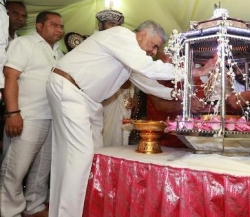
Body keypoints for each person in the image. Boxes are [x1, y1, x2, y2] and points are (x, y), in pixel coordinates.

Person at [47, 20, 177, 216]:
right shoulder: (121, 35)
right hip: (70, 89)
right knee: (80, 156)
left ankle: (80, 209)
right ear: (142, 35)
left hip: (87, 99)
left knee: (91, 153)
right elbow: (149, 68)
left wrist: (176, 94)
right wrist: (189, 71)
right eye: (154, 45)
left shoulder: (128, 55)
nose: (154, 51)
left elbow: (148, 84)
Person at [0, 11, 64, 217]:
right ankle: (9, 211)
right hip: (27, 116)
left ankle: (34, 205)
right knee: (15, 169)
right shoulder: (24, 44)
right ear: (39, 26)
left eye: (61, 26)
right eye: (54, 25)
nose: (59, 30)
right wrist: (12, 113)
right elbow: (10, 78)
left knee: (42, 168)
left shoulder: (58, 52)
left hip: (51, 117)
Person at [0, 0, 27, 163]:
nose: (20, 18)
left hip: (9, 99)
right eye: (14, 13)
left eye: (23, 16)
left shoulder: (20, 42)